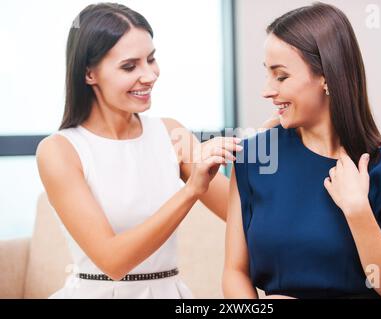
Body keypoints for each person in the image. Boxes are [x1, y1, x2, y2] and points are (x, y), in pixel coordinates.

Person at [36, 2, 268, 299]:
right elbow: (113, 261)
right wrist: (190, 191)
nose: (149, 75)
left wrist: (283, 138)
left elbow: (244, 216)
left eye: (151, 59)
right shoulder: (60, 150)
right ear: (89, 73)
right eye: (130, 66)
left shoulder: (171, 132)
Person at [223, 3, 381, 299]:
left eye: (281, 76)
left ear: (327, 76)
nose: (267, 90)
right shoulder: (255, 157)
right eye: (267, 74)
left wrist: (358, 212)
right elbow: (235, 272)